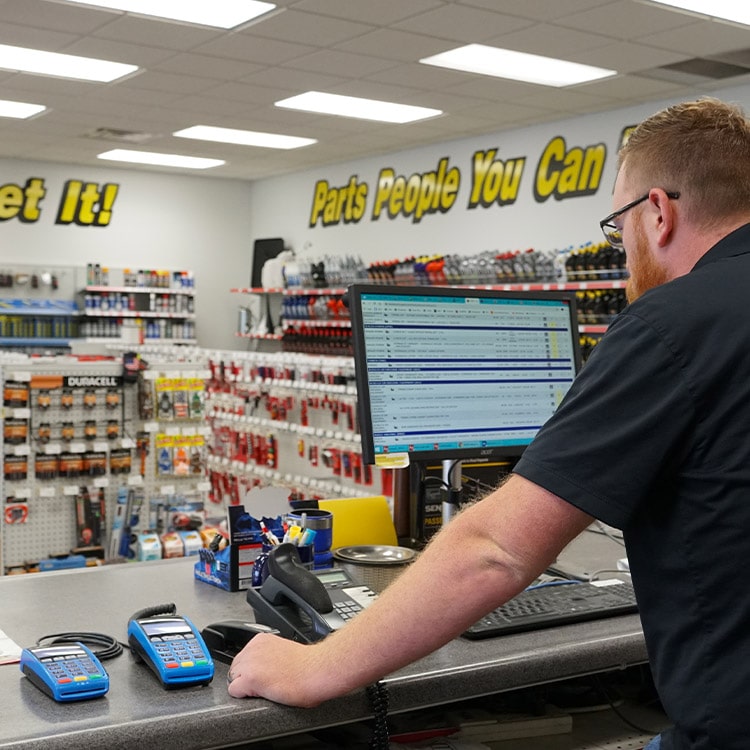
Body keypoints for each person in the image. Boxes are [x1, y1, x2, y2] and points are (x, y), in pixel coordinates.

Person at [227, 97, 750, 750]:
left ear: (658, 212)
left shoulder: (671, 324)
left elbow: (495, 550)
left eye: (617, 228)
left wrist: (314, 665)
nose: (620, 254)